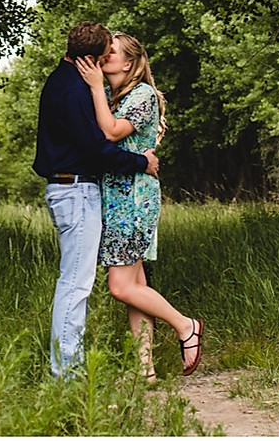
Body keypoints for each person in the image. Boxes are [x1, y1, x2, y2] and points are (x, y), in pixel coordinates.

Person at [33, 21, 160, 378]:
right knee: (76, 283)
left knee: (102, 282)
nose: (107, 59)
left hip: (81, 191)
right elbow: (98, 148)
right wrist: (141, 162)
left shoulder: (66, 82)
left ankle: (143, 367)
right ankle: (68, 375)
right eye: (105, 54)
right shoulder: (76, 89)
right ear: (90, 58)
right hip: (76, 191)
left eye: (113, 54)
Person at [78, 33, 202, 380]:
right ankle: (144, 370)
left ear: (130, 62)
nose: (105, 56)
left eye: (112, 52)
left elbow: (113, 133)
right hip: (114, 198)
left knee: (120, 286)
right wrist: (97, 89)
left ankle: (186, 325)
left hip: (133, 199)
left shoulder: (142, 95)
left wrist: (95, 87)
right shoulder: (108, 95)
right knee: (136, 287)